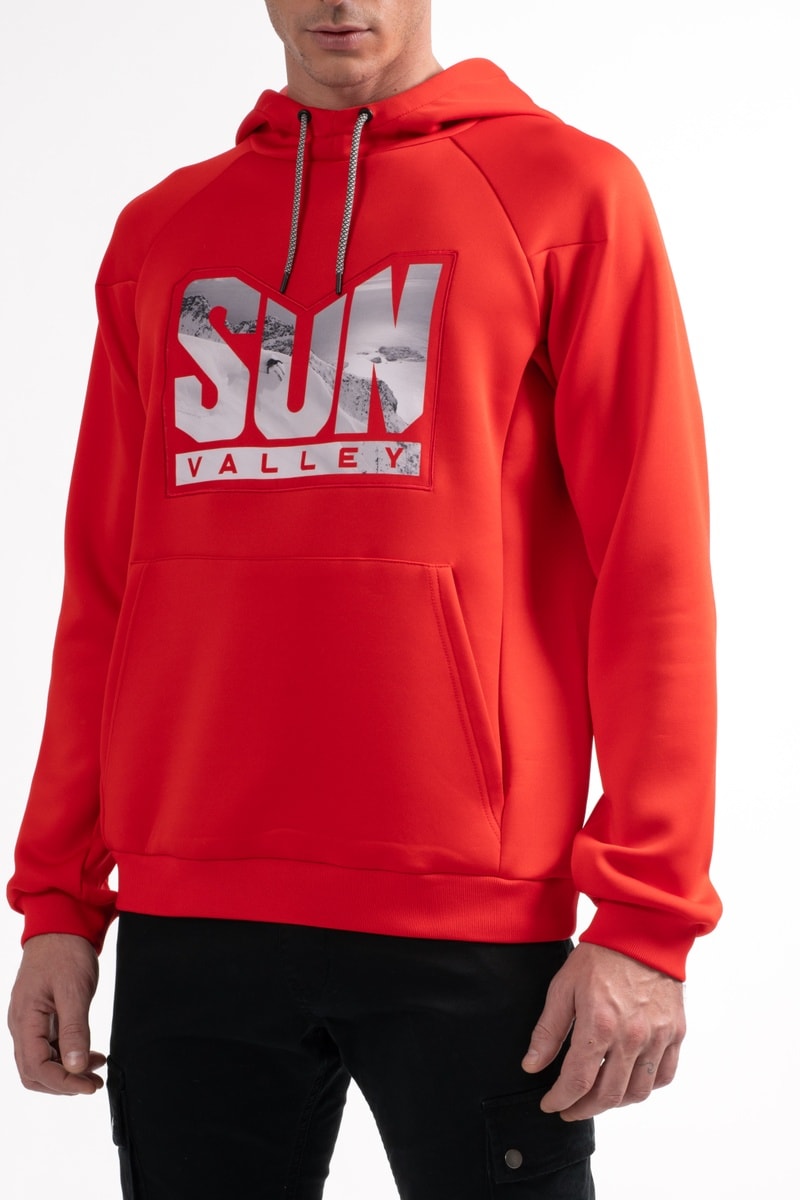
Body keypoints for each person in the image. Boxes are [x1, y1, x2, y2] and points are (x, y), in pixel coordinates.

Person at [7, 2, 721, 1196]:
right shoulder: (161, 231)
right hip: (194, 910)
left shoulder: (565, 194)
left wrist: (646, 920)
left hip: (469, 918)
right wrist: (60, 903)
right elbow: (104, 592)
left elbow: (651, 573)